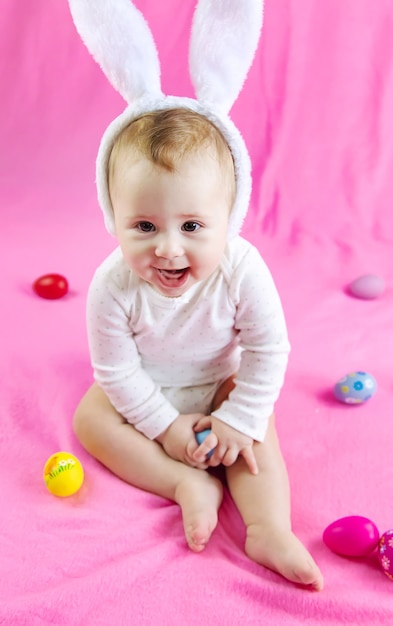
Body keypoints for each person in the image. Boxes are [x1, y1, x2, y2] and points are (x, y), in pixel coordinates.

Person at [73, 107, 324, 591]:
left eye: (192, 226)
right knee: (91, 418)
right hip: (147, 386)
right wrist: (165, 427)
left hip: (219, 384)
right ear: (113, 218)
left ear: (227, 221)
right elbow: (117, 371)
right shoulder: (112, 285)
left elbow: (267, 349)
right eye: (144, 226)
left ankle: (267, 528)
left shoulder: (242, 269)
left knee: (255, 439)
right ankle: (183, 482)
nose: (168, 248)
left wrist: (238, 417)